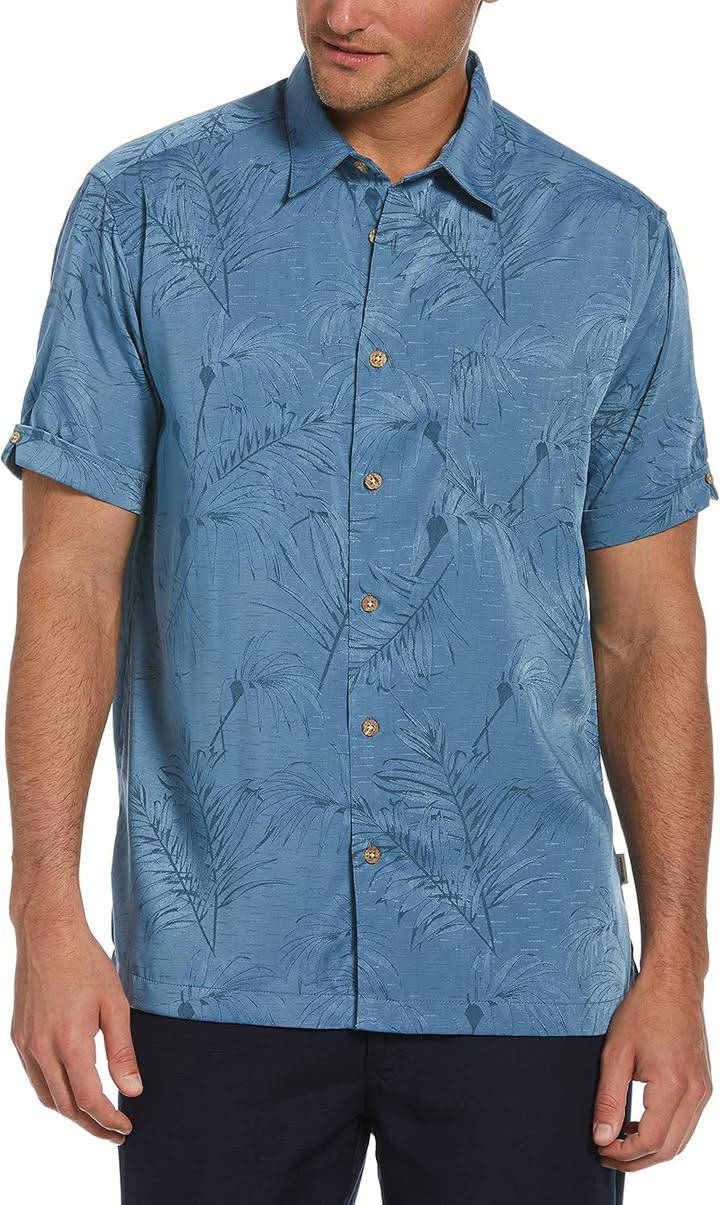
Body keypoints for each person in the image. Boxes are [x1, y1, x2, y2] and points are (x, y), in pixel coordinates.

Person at [4, 1, 715, 1201]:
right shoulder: (146, 209)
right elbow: (68, 579)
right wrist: (45, 919)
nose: (341, 12)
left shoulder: (611, 241)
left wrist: (679, 966)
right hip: (217, 961)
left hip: (526, 969)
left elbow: (648, 633)